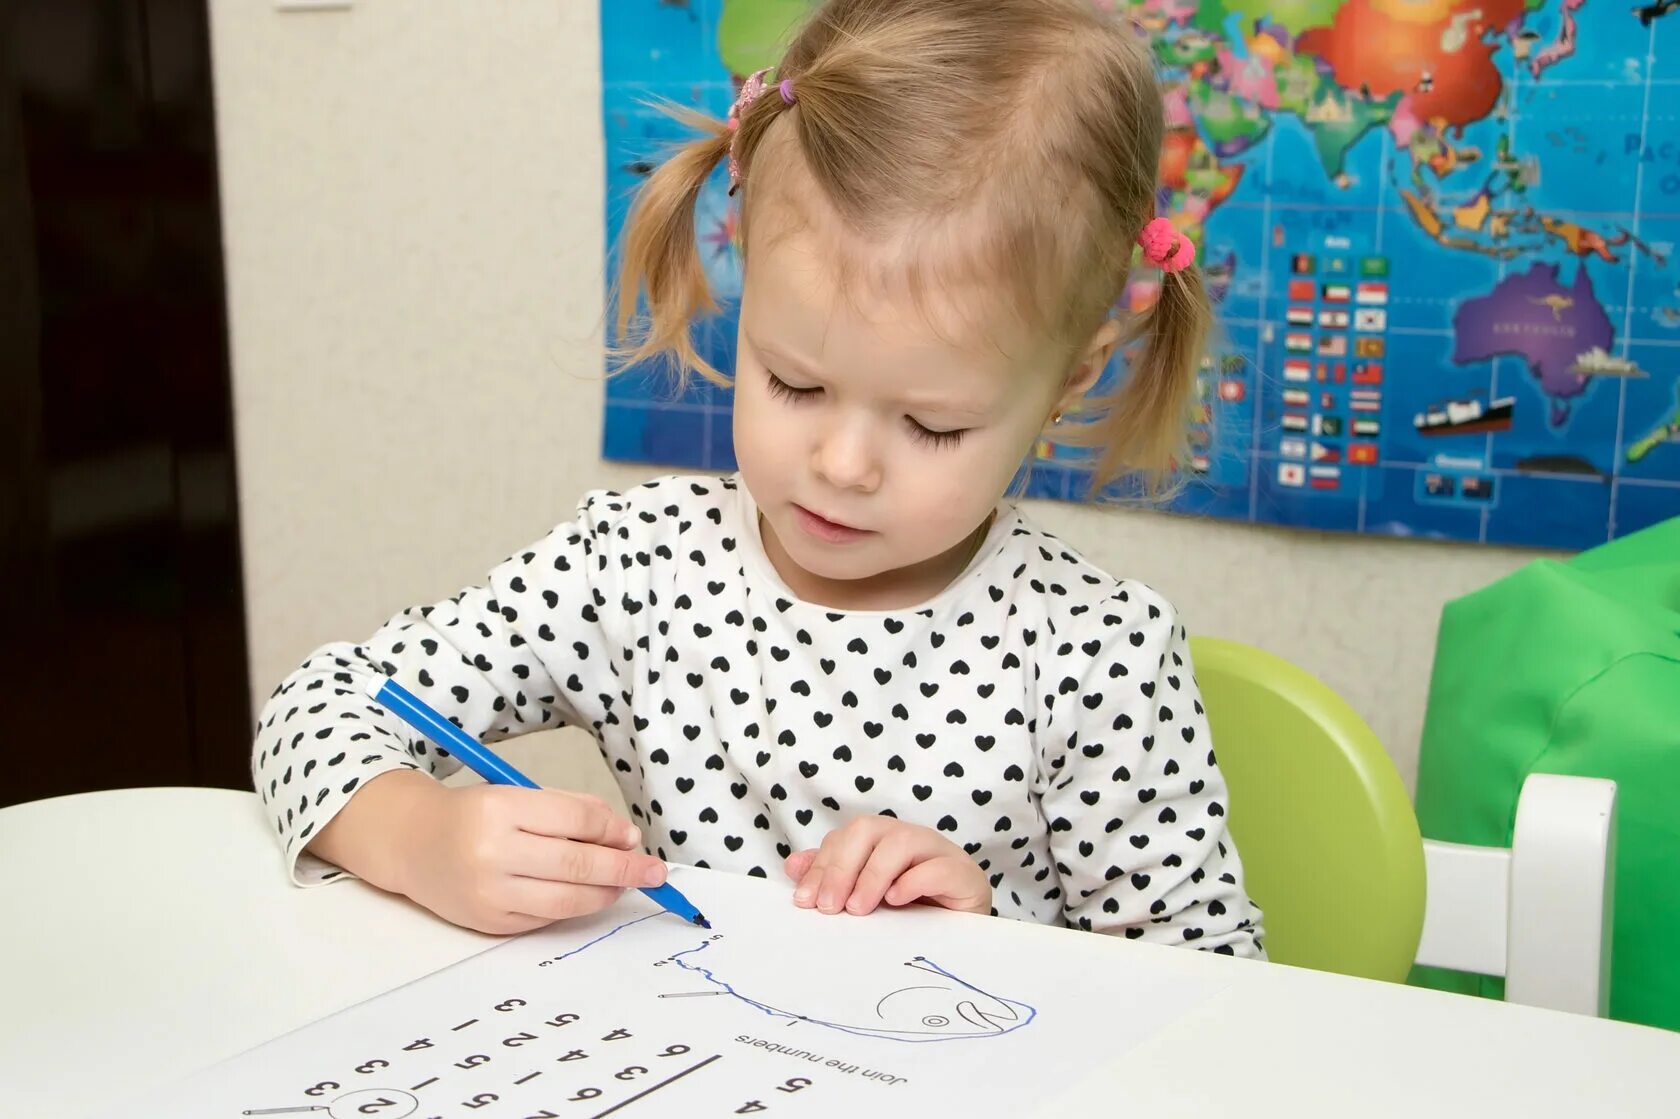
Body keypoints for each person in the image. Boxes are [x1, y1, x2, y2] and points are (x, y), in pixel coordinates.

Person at [254, 0, 1263, 956]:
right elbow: (315, 705)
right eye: (793, 380)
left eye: (931, 424)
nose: (842, 464)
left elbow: (1216, 989)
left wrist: (994, 934)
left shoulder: (1095, 656)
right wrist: (418, 835)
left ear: (1063, 384)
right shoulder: (633, 568)